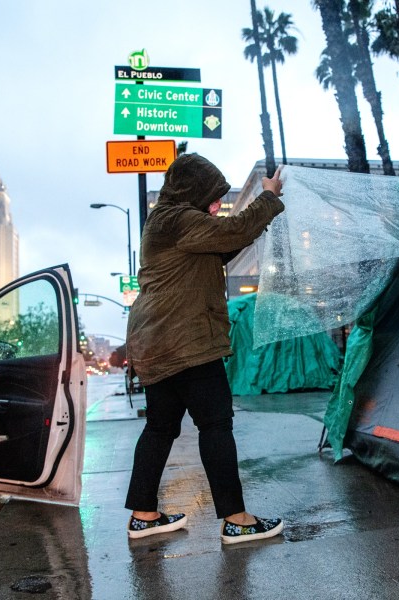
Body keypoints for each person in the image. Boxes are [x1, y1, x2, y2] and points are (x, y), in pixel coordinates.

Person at [124, 153, 285, 544]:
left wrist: (255, 222)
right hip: (186, 342)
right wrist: (268, 198)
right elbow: (229, 234)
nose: (216, 204)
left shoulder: (166, 221)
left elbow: (223, 243)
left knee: (160, 428)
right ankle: (237, 519)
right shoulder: (177, 218)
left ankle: (144, 516)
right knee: (215, 425)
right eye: (212, 196)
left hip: (159, 343)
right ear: (191, 190)